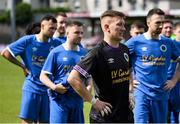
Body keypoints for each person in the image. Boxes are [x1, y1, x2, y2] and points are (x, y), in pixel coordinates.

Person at [67, 10, 132, 123]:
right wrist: (93, 101)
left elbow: (127, 73)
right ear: (107, 27)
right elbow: (73, 78)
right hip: (104, 117)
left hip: (125, 115)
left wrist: (129, 94)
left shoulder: (125, 49)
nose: (124, 28)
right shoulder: (97, 52)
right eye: (119, 25)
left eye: (124, 25)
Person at [1, 15, 62, 123]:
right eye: (51, 28)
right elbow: (5, 53)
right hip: (32, 87)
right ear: (42, 26)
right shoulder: (28, 41)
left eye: (54, 28)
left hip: (49, 90)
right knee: (26, 121)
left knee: (45, 121)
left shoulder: (56, 43)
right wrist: (23, 66)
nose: (53, 31)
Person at [125, 8, 180, 123]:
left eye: (162, 22)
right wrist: (129, 81)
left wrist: (174, 80)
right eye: (157, 23)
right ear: (148, 23)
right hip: (141, 94)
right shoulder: (135, 42)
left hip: (161, 95)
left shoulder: (169, 43)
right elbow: (120, 60)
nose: (161, 26)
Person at [40, 21, 92, 123]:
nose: (80, 35)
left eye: (82, 33)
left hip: (77, 99)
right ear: (67, 33)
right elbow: (43, 76)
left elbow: (88, 75)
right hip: (59, 100)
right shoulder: (56, 52)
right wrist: (54, 87)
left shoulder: (85, 53)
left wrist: (89, 87)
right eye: (77, 32)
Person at [167, 22, 180, 123]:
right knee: (169, 113)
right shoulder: (169, 45)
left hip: (178, 84)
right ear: (175, 32)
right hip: (168, 83)